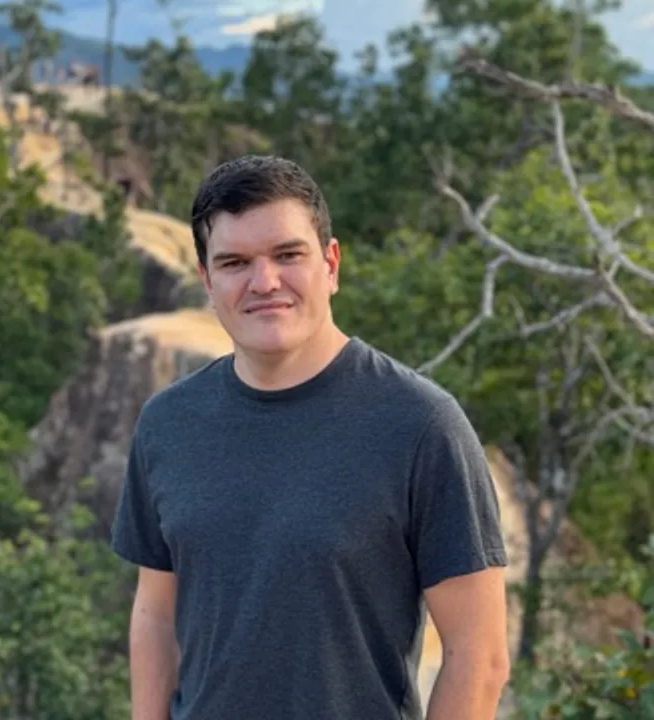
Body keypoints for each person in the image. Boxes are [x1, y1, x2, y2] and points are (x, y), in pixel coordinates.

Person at [110, 155, 510, 720]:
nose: (264, 282)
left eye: (288, 255)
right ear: (207, 282)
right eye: (235, 263)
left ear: (331, 264)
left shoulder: (421, 425)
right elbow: (156, 615)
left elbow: (479, 656)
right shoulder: (168, 424)